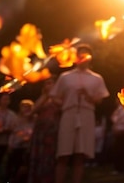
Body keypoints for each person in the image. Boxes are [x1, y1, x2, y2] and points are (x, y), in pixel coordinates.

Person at [50, 44, 109, 183]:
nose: (83, 58)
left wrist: (88, 96)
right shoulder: (65, 77)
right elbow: (55, 96)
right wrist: (63, 105)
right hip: (69, 114)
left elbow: (100, 99)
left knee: (80, 155)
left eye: (86, 56)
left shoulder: (97, 78)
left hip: (86, 114)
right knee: (63, 154)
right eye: (80, 55)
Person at [27, 75, 60, 183]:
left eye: (51, 83)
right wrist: (45, 96)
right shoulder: (43, 98)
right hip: (40, 132)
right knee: (37, 156)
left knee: (49, 157)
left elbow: (62, 107)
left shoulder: (59, 98)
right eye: (47, 83)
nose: (49, 85)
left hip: (53, 132)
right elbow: (32, 112)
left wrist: (52, 95)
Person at [5, 99, 35, 183]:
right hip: (16, 146)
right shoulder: (16, 119)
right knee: (12, 167)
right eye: (23, 106)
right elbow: (12, 133)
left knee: (24, 169)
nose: (25, 108)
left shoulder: (34, 121)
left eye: (28, 107)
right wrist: (10, 145)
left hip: (27, 148)